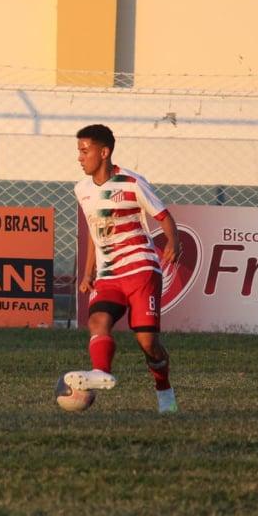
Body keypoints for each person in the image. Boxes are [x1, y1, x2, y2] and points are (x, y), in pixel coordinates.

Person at [65, 124, 181, 413]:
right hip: (108, 275)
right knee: (97, 322)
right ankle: (101, 371)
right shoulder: (82, 189)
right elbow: (94, 232)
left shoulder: (132, 182)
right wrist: (89, 272)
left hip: (140, 268)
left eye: (84, 151)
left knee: (147, 342)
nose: (80, 158)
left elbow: (164, 216)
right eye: (78, 151)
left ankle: (164, 390)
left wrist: (173, 242)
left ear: (103, 152)